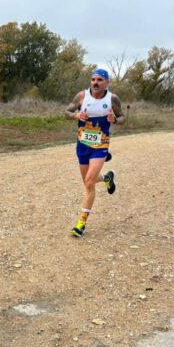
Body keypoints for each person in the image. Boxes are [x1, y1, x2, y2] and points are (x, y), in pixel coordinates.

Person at [64, 68, 126, 237]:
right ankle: (107, 178)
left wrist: (115, 120)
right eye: (93, 79)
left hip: (101, 145)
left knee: (89, 182)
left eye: (99, 80)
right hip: (82, 144)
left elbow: (122, 117)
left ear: (107, 83)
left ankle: (81, 223)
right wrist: (76, 116)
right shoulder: (82, 96)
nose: (95, 83)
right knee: (87, 180)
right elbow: (67, 112)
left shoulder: (112, 99)